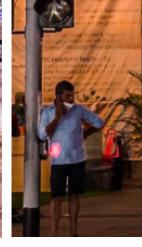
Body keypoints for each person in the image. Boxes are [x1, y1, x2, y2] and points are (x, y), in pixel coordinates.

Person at [37, 81, 105, 236]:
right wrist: (57, 118)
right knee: (56, 197)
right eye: (67, 95)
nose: (71, 98)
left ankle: (73, 232)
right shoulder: (48, 112)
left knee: (74, 195)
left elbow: (100, 122)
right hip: (59, 160)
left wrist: (85, 133)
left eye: (72, 95)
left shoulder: (78, 110)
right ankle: (54, 234)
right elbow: (42, 135)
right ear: (58, 97)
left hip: (77, 158)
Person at [102, 126, 127, 191]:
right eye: (109, 134)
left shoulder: (117, 141)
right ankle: (111, 184)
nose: (111, 136)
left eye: (112, 134)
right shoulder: (105, 141)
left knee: (117, 172)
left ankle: (117, 185)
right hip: (109, 159)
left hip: (116, 158)